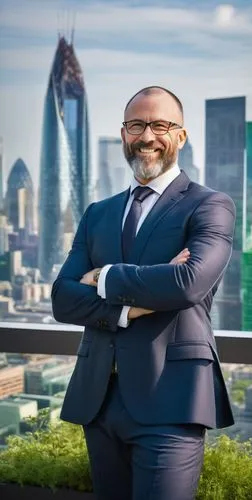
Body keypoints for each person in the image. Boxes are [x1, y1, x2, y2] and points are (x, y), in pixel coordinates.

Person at [51, 86, 236, 500]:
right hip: (98, 399)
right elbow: (62, 298)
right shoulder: (98, 213)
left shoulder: (210, 205)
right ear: (123, 134)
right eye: (137, 125)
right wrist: (129, 310)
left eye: (160, 125)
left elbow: (188, 283)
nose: (147, 136)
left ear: (181, 136)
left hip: (171, 400)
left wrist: (104, 277)